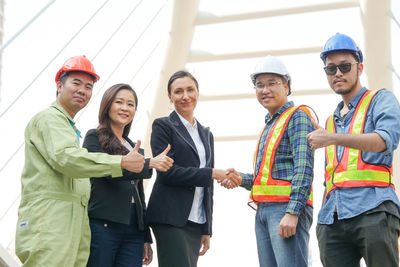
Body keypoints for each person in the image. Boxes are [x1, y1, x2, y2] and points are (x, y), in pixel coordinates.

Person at [15, 55, 146, 267]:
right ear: (59, 85)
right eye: (76, 83)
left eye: (88, 86)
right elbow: (67, 159)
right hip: (50, 223)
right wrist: (120, 163)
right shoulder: (49, 119)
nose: (82, 91)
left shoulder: (69, 129)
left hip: (71, 224)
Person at [307, 33, 400, 267]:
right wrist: (322, 216)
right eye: (331, 69)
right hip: (332, 219)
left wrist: (333, 138)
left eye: (345, 66)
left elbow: (384, 140)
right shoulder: (329, 123)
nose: (338, 73)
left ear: (359, 67)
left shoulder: (381, 99)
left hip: (374, 209)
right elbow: (330, 177)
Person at [225, 56, 314, 267]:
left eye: (272, 83)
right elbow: (270, 178)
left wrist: (293, 212)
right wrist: (242, 179)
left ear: (287, 86)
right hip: (264, 210)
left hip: (286, 209)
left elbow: (303, 166)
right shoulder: (269, 125)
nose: (265, 90)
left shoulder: (297, 116)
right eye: (259, 85)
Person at [146, 70, 238, 267]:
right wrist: (211, 173)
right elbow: (167, 173)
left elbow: (208, 187)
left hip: (196, 220)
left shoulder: (206, 134)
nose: (185, 96)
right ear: (170, 97)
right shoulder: (163, 126)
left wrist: (207, 227)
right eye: (178, 91)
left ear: (197, 93)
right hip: (170, 217)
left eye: (190, 90)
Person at [82, 83, 173, 267]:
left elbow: (139, 196)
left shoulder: (134, 146)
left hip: (134, 229)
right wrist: (148, 163)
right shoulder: (93, 137)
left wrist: (145, 236)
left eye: (131, 104)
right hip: (104, 224)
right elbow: (107, 173)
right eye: (119, 102)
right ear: (107, 105)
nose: (125, 108)